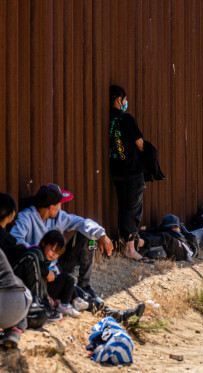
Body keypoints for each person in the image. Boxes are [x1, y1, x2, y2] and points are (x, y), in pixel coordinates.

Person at [10, 183, 113, 305]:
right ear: (50, 207)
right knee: (84, 299)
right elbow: (15, 240)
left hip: (58, 266)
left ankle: (84, 285)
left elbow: (81, 222)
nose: (60, 206)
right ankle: (91, 302)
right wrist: (39, 259)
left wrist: (101, 234)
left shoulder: (58, 216)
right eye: (59, 204)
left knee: (87, 236)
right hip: (40, 271)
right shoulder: (26, 217)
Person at [109, 85, 146, 261]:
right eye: (125, 100)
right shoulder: (126, 119)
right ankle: (130, 249)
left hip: (117, 171)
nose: (126, 103)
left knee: (123, 209)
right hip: (132, 171)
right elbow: (140, 144)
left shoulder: (110, 120)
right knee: (133, 209)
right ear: (119, 100)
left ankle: (124, 245)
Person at [0, 195, 32, 349]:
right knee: (23, 292)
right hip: (14, 304)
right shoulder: (9, 241)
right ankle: (15, 330)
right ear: (11, 214)